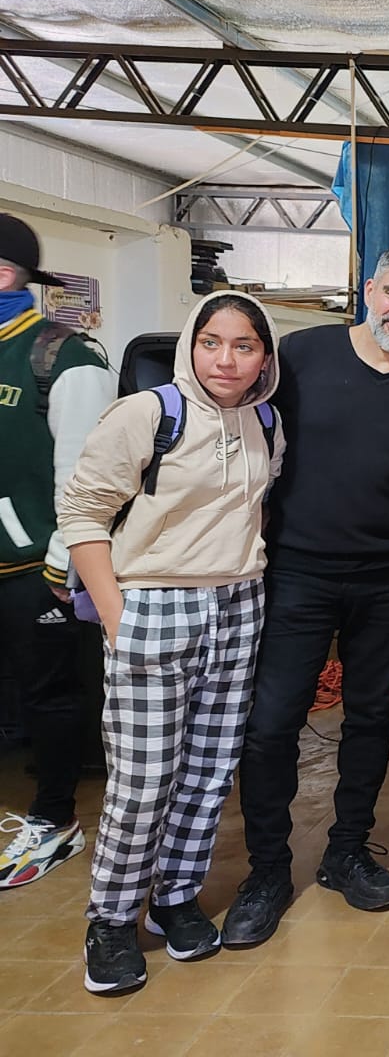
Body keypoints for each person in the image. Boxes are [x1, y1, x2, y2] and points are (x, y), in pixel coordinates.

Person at [222, 243, 389, 948]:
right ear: (368, 290)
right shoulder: (301, 356)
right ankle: (268, 871)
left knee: (372, 715)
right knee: (272, 723)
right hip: (297, 570)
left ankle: (346, 851)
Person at [58, 292, 283, 995]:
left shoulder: (266, 420)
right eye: (212, 342)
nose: (226, 359)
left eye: (244, 346)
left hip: (239, 604)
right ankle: (111, 919)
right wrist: (117, 615)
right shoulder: (147, 413)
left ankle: (175, 896)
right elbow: (82, 511)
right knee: (144, 777)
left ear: (264, 357)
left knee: (210, 770)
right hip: (153, 604)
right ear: (190, 344)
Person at [0, 213, 115, 890]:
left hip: (32, 570)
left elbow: (85, 479)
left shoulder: (65, 358)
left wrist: (61, 564)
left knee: (50, 694)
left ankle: (54, 819)